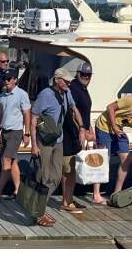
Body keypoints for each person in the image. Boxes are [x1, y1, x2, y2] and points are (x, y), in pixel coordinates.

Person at [30, 67, 86, 226]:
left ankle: (38, 207)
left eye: (69, 80)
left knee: (55, 176)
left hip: (58, 140)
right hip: (45, 141)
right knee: (43, 176)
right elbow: (33, 118)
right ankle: (38, 213)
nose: (69, 82)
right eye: (66, 80)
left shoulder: (67, 93)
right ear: (57, 80)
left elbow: (74, 109)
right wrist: (34, 145)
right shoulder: (45, 95)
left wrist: (82, 128)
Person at [0, 70, 31, 200]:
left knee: (6, 160)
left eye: (8, 79)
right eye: (4, 79)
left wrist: (27, 133)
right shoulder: (2, 96)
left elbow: (27, 113)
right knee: (13, 162)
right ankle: (18, 190)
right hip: (5, 132)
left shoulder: (22, 94)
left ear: (15, 80)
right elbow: (1, 115)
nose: (5, 81)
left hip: (16, 132)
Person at [64, 62, 100, 206]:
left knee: (73, 169)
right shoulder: (74, 88)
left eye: (88, 75)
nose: (86, 77)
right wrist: (81, 130)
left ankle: (69, 199)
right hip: (72, 134)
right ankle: (66, 201)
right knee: (69, 168)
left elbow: (84, 113)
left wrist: (89, 128)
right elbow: (72, 112)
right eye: (83, 74)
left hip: (80, 133)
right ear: (77, 73)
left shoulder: (83, 89)